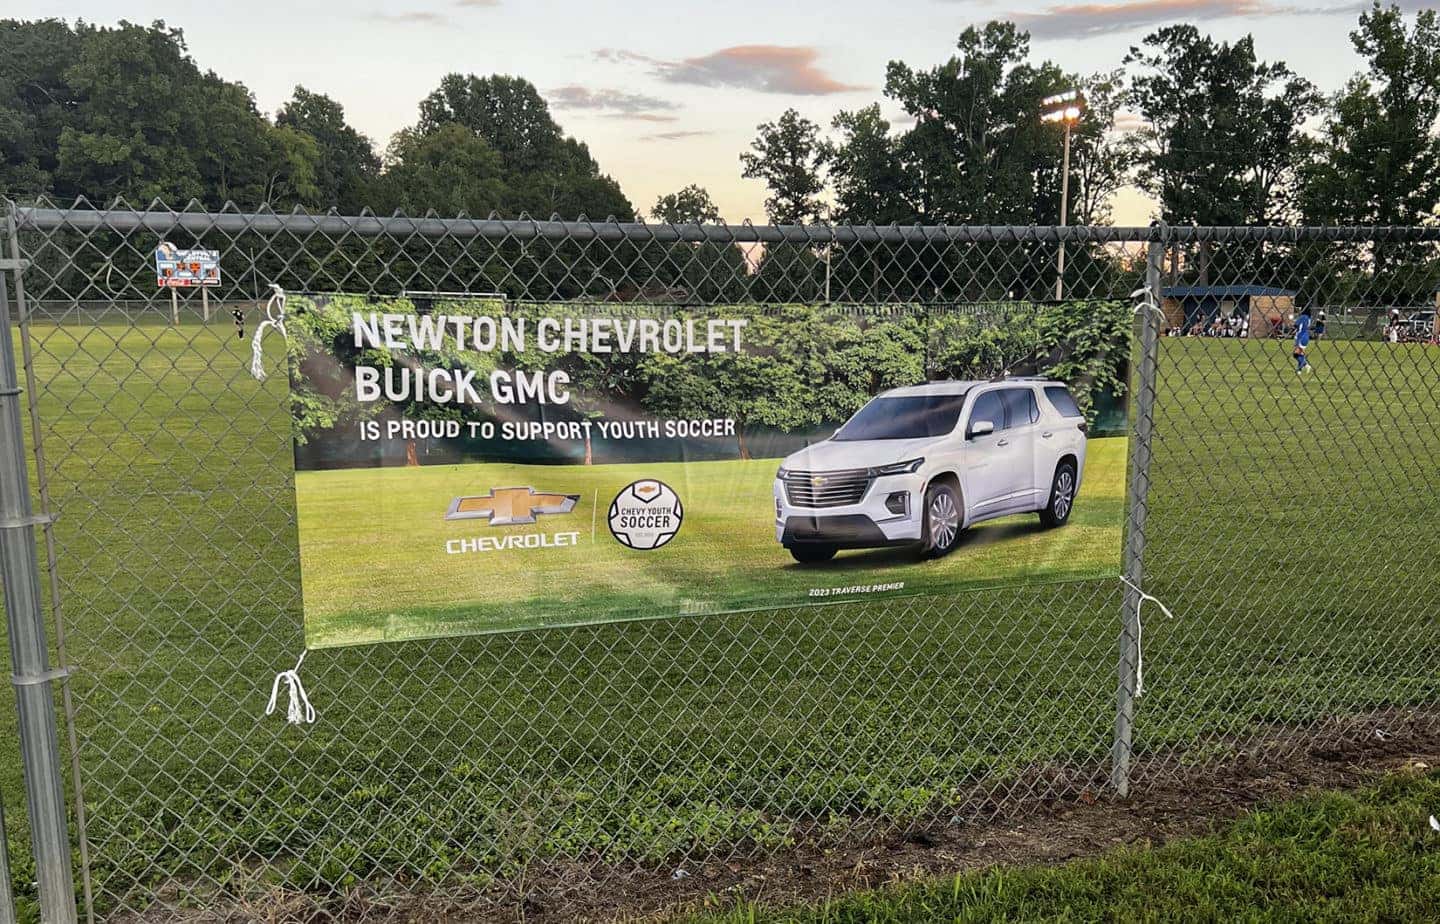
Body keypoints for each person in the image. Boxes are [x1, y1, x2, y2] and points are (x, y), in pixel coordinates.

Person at [1293, 306, 1313, 374]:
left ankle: (1306, 365)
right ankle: (1299, 370)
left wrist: (1293, 326)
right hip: (1306, 337)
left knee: (1296, 354)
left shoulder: (1302, 316)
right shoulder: (1309, 318)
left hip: (1300, 336)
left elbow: (1296, 325)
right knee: (1300, 354)